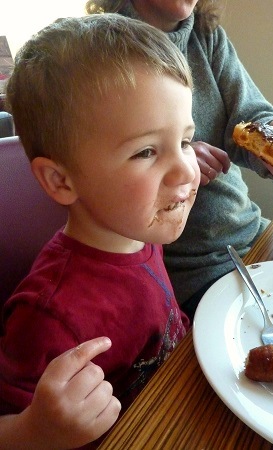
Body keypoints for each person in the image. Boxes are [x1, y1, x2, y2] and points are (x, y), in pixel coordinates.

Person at [0, 13, 200, 449]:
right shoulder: (48, 316)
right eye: (147, 151)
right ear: (60, 181)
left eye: (185, 140)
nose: (187, 168)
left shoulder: (142, 233)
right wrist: (33, 430)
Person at [85, 0, 273, 320]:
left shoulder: (207, 36)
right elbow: (99, 167)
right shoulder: (99, 51)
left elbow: (248, 117)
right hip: (187, 269)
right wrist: (175, 154)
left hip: (251, 232)